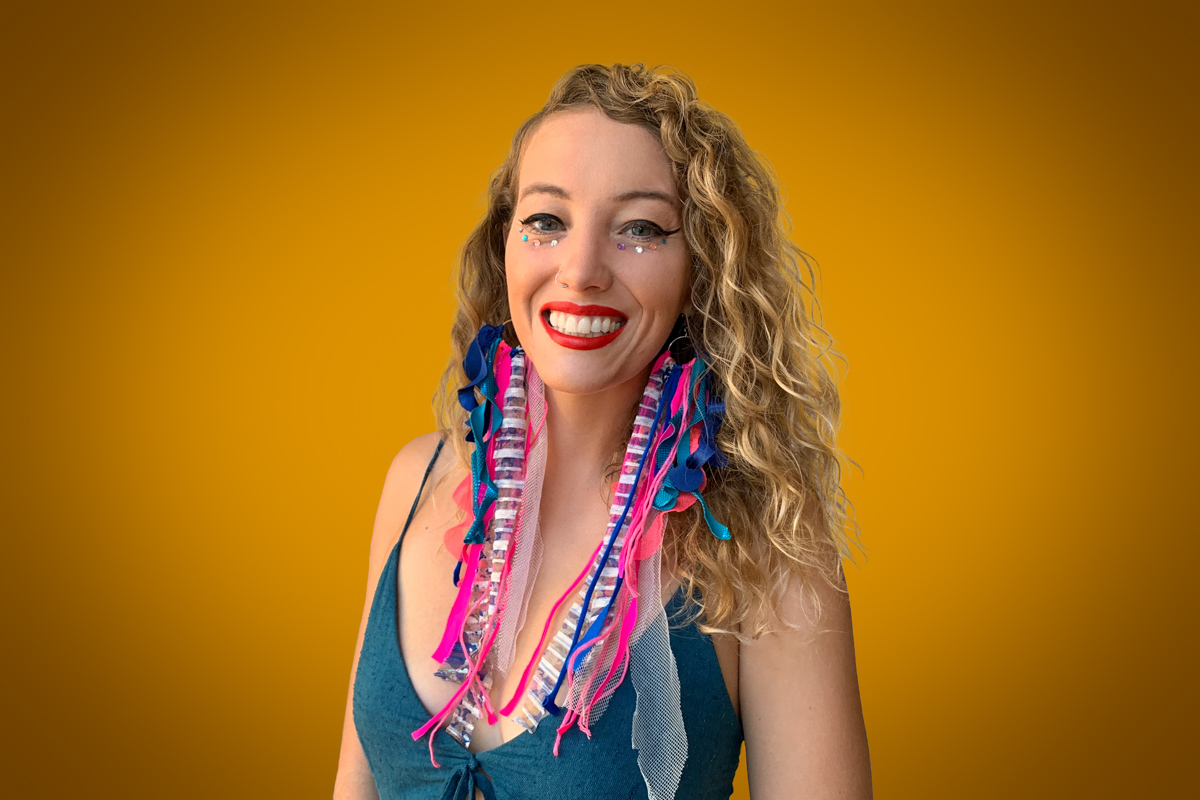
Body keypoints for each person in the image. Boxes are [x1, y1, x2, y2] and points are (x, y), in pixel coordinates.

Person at [333, 63, 871, 800]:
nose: (581, 269)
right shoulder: (416, 480)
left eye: (640, 230)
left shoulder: (770, 550)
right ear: (506, 245)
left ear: (701, 272)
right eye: (547, 221)